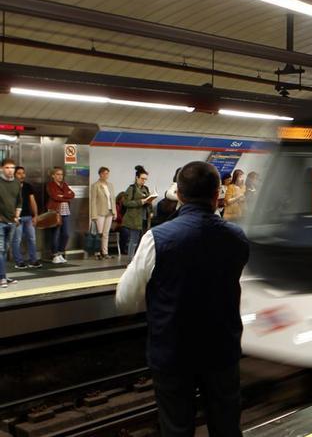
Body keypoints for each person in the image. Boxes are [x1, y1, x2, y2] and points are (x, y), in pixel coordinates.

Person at [116, 161, 249, 436]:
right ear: (217, 195)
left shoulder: (156, 239)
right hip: (222, 349)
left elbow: (125, 300)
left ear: (180, 195)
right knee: (226, 426)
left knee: (177, 428)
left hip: (172, 352)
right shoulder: (237, 237)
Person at [122, 166, 155, 257]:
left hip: (144, 217)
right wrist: (140, 202)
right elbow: (126, 202)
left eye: (145, 179)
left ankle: (138, 258)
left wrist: (151, 209)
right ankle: (131, 259)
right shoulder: (131, 188)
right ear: (137, 178)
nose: (144, 181)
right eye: (142, 179)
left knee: (142, 240)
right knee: (134, 240)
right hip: (134, 218)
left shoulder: (146, 188)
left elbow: (148, 201)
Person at [12, 166, 40, 269]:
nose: (22, 175)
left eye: (23, 173)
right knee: (17, 239)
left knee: (32, 239)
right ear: (14, 174)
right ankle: (19, 261)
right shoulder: (10, 186)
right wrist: (14, 217)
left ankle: (33, 260)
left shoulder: (28, 186)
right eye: (19, 173)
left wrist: (35, 215)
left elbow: (32, 201)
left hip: (28, 216)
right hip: (17, 217)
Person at [46, 167, 75, 264]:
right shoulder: (50, 185)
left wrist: (62, 196)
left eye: (61, 174)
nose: (60, 176)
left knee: (66, 234)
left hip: (65, 211)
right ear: (53, 175)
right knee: (55, 234)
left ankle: (60, 253)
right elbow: (54, 196)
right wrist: (65, 196)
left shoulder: (64, 185)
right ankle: (54, 255)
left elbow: (72, 195)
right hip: (55, 212)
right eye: (58, 174)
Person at [0, 159, 21, 288]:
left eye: (12, 168)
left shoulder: (17, 183)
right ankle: (2, 278)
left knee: (5, 250)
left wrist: (17, 216)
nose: (10, 170)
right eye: (7, 167)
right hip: (0, 222)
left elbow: (19, 201)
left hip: (12, 221)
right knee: (0, 250)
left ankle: (3, 276)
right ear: (2, 168)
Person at [89, 167, 117, 259]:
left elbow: (113, 200)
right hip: (100, 212)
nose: (106, 175)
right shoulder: (95, 185)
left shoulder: (110, 185)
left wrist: (114, 212)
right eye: (104, 173)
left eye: (107, 173)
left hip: (109, 211)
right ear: (100, 174)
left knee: (106, 233)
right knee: (99, 233)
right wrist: (93, 214)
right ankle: (97, 252)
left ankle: (105, 252)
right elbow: (93, 201)